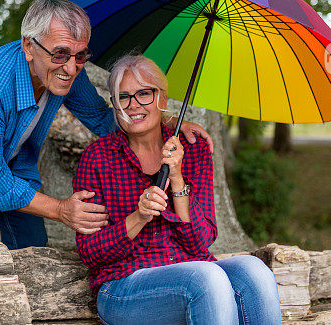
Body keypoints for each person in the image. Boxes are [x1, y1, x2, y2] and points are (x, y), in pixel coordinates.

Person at [0, 0, 212, 324]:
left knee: (31, 247)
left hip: (7, 162)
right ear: (29, 46)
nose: (70, 67)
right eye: (60, 54)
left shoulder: (64, 70)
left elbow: (101, 118)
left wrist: (165, 122)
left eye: (80, 55)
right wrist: (61, 210)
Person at [73, 55, 282, 325]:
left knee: (255, 271)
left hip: (193, 272)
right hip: (124, 286)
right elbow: (90, 252)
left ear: (163, 99)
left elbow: (202, 242)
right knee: (206, 278)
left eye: (144, 93)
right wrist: (138, 217)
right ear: (114, 106)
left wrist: (178, 178)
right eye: (123, 97)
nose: (133, 105)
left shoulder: (194, 149)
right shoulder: (98, 158)